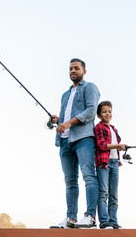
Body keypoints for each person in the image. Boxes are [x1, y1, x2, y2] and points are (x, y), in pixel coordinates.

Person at [49, 58, 100, 229]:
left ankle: (91, 216)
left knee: (88, 175)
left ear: (84, 71)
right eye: (71, 68)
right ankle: (70, 218)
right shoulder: (65, 94)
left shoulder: (90, 87)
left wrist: (68, 123)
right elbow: (64, 119)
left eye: (77, 68)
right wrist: (58, 120)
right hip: (65, 141)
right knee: (70, 181)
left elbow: (92, 111)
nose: (73, 71)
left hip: (84, 138)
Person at [94, 101, 126, 229]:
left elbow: (115, 146)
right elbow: (102, 145)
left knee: (114, 195)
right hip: (104, 163)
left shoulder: (114, 129)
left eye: (109, 111)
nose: (107, 114)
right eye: (104, 112)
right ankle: (104, 221)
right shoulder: (99, 127)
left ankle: (113, 222)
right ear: (99, 115)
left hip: (115, 163)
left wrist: (120, 148)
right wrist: (118, 146)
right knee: (103, 192)